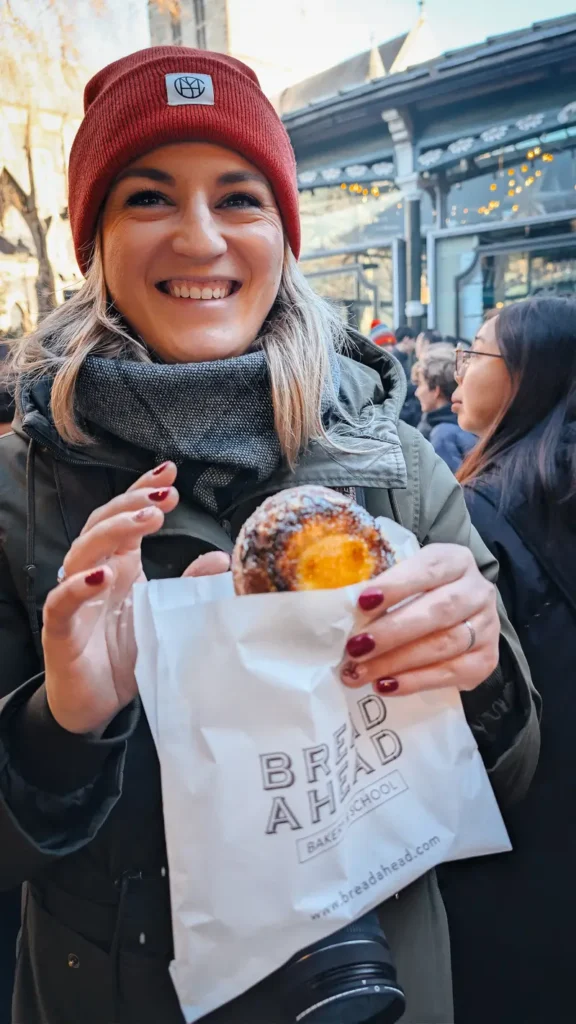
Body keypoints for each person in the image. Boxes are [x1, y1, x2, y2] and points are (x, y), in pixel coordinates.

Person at [0, 47, 538, 1024]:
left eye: (240, 199)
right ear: (95, 240)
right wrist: (62, 724)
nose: (201, 238)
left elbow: (512, 766)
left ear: (283, 234)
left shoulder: (394, 464)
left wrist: (481, 672)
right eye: (149, 198)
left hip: (381, 988)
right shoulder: (17, 486)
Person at [440, 297, 576, 1024]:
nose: (458, 369)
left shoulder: (487, 512)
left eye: (478, 351)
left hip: (518, 847)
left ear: (529, 375)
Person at [415, 345, 476, 472]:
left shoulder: (442, 435)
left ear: (436, 390)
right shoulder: (466, 425)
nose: (417, 392)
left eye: (420, 384)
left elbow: (447, 489)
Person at [392, 327, 420, 427]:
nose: (415, 345)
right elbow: (397, 386)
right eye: (414, 340)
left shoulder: (403, 357)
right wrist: (416, 385)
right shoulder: (395, 360)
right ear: (406, 339)